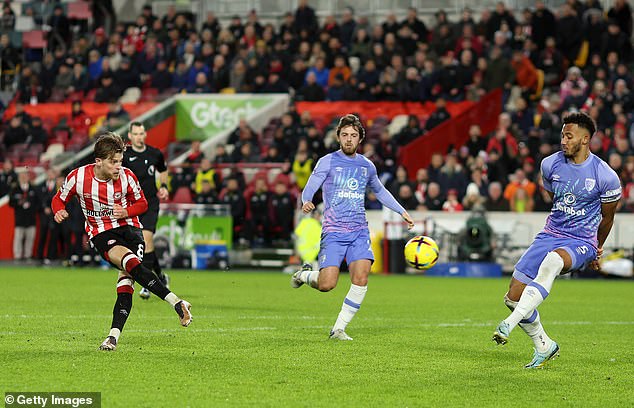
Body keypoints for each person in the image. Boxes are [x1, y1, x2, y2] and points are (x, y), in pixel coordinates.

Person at [492, 112, 621, 368]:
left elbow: (607, 219)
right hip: (550, 234)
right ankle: (544, 345)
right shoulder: (550, 164)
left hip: (581, 241)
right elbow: (555, 197)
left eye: (569, 136)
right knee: (512, 296)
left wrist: (597, 248)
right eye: (562, 134)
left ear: (585, 140)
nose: (563, 140)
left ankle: (508, 324)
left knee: (553, 261)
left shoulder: (605, 176)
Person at [52, 132, 192, 351]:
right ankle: (176, 302)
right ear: (98, 161)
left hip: (131, 230)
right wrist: (59, 211)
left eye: (120, 161)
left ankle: (112, 337)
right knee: (128, 264)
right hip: (101, 233)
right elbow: (58, 199)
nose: (118, 166)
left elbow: (142, 204)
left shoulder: (127, 176)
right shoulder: (78, 178)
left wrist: (125, 211)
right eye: (113, 162)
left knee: (126, 282)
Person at [291, 114, 415, 340]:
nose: (349, 139)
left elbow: (379, 191)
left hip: (359, 232)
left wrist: (401, 210)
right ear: (338, 137)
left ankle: (338, 329)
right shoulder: (327, 161)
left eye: (354, 136)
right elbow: (311, 185)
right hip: (334, 232)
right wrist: (306, 200)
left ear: (360, 139)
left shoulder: (366, 166)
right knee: (327, 284)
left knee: (361, 278)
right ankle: (305, 275)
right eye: (345, 135)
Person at [123, 122, 170, 300]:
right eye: (135, 134)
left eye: (141, 133)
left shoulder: (154, 153)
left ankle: (147, 286)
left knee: (147, 239)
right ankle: (161, 276)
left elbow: (163, 170)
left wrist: (164, 186)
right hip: (132, 204)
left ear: (145, 135)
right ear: (130, 136)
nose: (139, 137)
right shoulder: (125, 155)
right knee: (144, 245)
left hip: (150, 203)